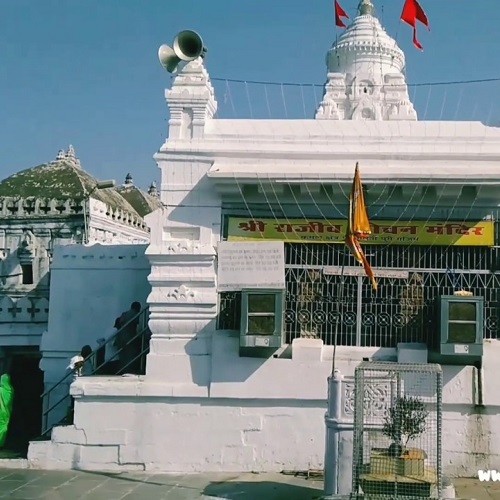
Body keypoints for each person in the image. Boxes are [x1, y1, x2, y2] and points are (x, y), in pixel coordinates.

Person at [114, 302, 142, 374]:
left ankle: (122, 371)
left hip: (121, 337)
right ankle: (129, 371)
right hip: (130, 338)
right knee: (131, 355)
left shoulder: (124, 314)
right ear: (137, 308)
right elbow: (136, 325)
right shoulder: (135, 314)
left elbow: (120, 322)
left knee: (123, 356)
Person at [0, 374, 14, 448]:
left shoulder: (0, 390)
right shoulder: (11, 389)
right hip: (7, 412)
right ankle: (1, 443)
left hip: (1, 412)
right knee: (4, 427)